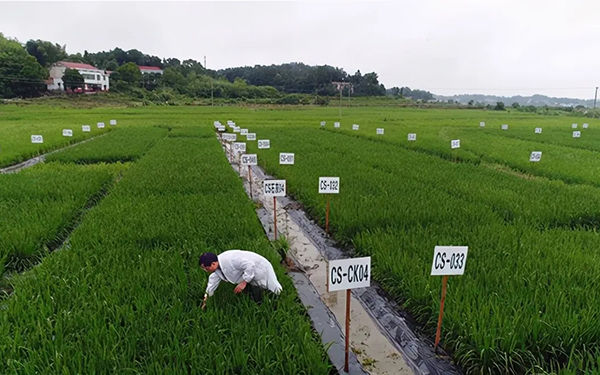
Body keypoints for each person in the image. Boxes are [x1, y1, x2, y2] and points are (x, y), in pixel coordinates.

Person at [200, 249, 283, 309]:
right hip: (250, 274)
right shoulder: (217, 270)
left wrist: (244, 282)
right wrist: (206, 299)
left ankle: (278, 303)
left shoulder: (231, 259)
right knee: (254, 291)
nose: (206, 271)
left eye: (206, 268)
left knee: (273, 289)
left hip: (260, 267)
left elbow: (250, 265)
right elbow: (211, 285)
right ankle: (260, 304)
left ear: (213, 264)